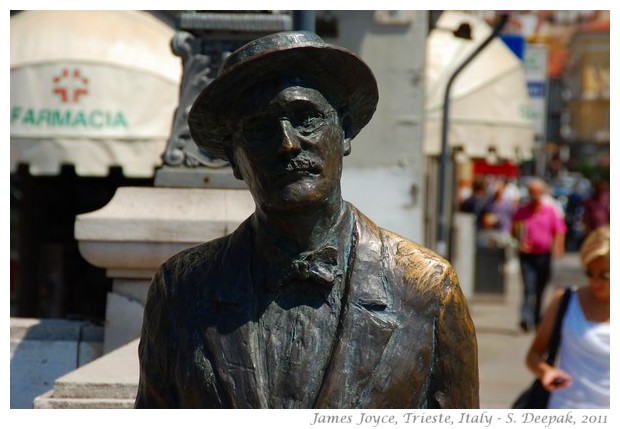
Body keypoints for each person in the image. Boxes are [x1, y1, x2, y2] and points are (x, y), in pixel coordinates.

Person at [134, 31, 478, 409]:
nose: (287, 143)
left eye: (307, 118)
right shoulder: (181, 289)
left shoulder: (427, 288)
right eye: (260, 130)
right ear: (235, 160)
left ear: (344, 131)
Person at [525, 225, 609, 408]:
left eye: (605, 275)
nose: (596, 282)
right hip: (565, 407)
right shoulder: (565, 300)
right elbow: (533, 355)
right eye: (590, 273)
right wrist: (546, 372)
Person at [512, 178, 566, 332]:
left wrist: (558, 246)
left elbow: (560, 230)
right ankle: (525, 318)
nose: (534, 196)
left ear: (542, 194)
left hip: (544, 255)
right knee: (529, 287)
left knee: (541, 288)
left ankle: (537, 318)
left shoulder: (549, 211)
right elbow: (515, 229)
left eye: (537, 193)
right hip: (527, 256)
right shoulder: (522, 211)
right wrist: (519, 242)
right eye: (532, 193)